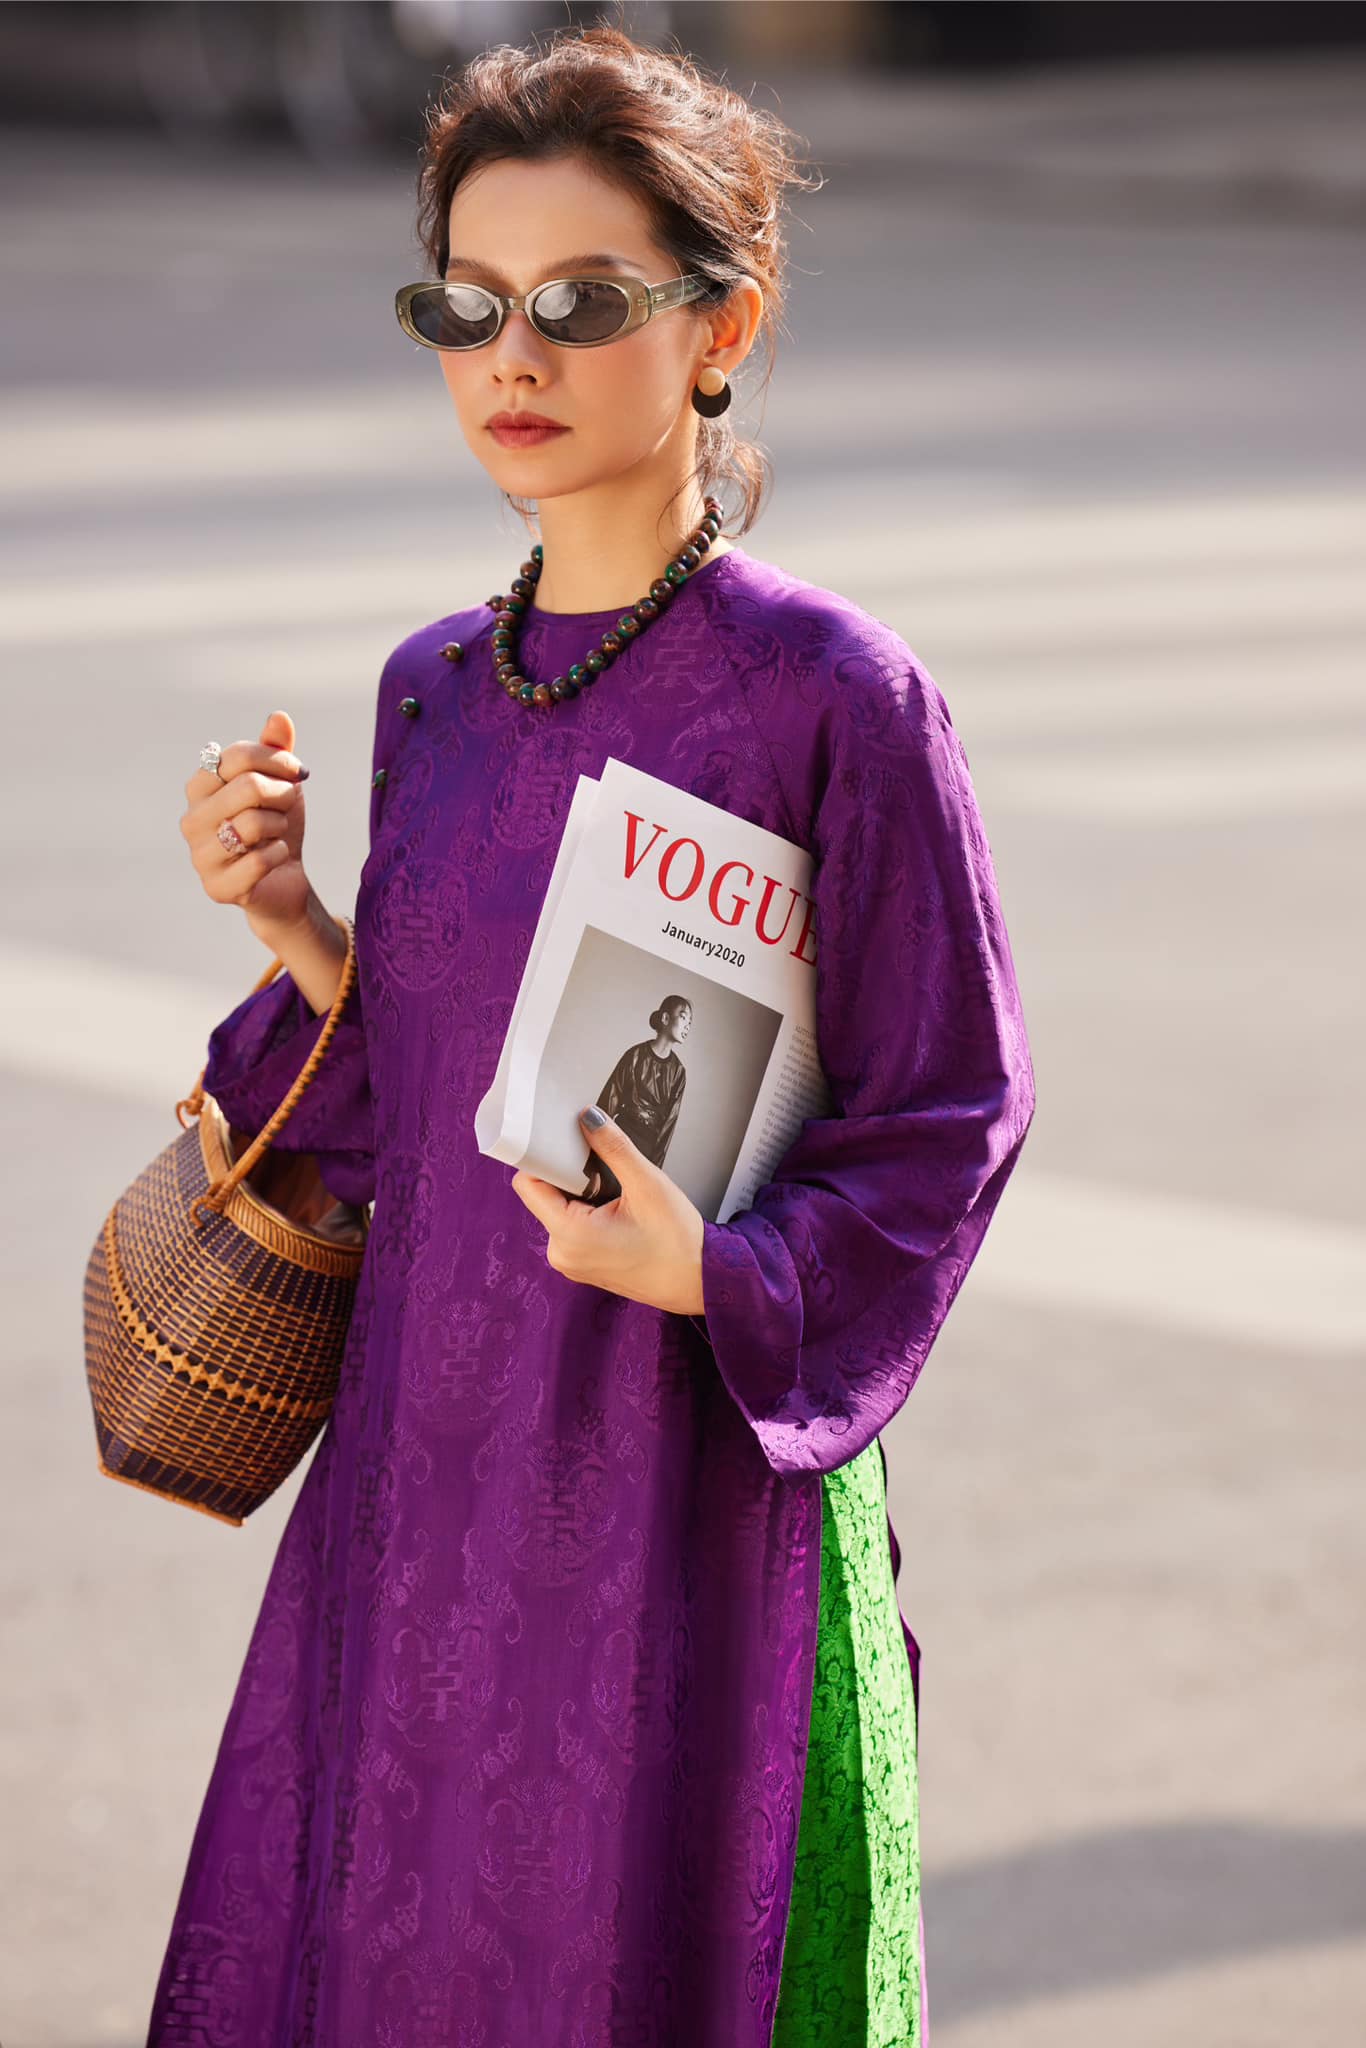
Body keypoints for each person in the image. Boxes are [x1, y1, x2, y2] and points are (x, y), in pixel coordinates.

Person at [151, 22, 1035, 2045]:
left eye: (579, 303)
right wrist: (293, 923)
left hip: (688, 1479)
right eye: (465, 306)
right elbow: (409, 1094)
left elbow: (948, 1105)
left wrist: (723, 1269)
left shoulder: (836, 695)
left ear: (723, 326)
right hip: (425, 1479)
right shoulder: (433, 690)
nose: (512, 358)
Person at [580, 996, 691, 1206]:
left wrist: (652, 1179)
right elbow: (606, 1106)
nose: (688, 1026)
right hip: (617, 1139)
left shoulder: (679, 1073)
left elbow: (667, 1129)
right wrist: (595, 1169)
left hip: (645, 1154)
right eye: (684, 1017)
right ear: (665, 1018)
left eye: (690, 1022)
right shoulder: (635, 1055)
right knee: (597, 1204)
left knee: (623, 1209)